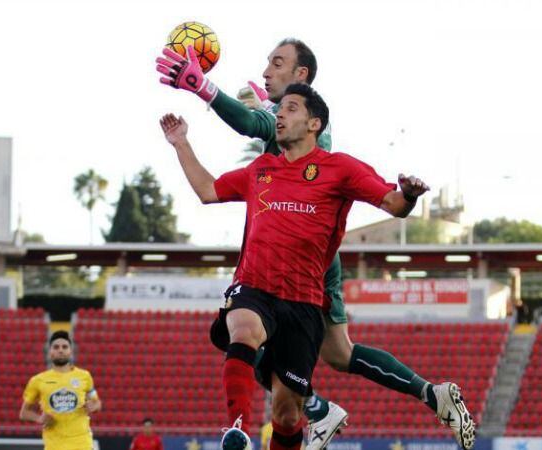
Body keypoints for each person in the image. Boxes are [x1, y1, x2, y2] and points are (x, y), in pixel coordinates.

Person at [156, 38, 475, 450]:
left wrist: (203, 87)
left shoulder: (316, 144)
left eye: (277, 64)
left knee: (306, 383)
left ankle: (321, 407)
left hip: (310, 272)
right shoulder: (267, 160)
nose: (267, 72)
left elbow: (251, 124)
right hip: (263, 278)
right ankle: (250, 426)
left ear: (301, 78)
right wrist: (181, 142)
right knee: (263, 334)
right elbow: (210, 188)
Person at [19, 330, 101, 450]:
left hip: (82, 444)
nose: (60, 350)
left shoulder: (84, 376)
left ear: (70, 351)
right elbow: (24, 413)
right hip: (54, 445)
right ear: (50, 352)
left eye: (65, 347)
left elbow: (97, 403)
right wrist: (39, 418)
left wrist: (94, 406)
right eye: (56, 347)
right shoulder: (38, 380)